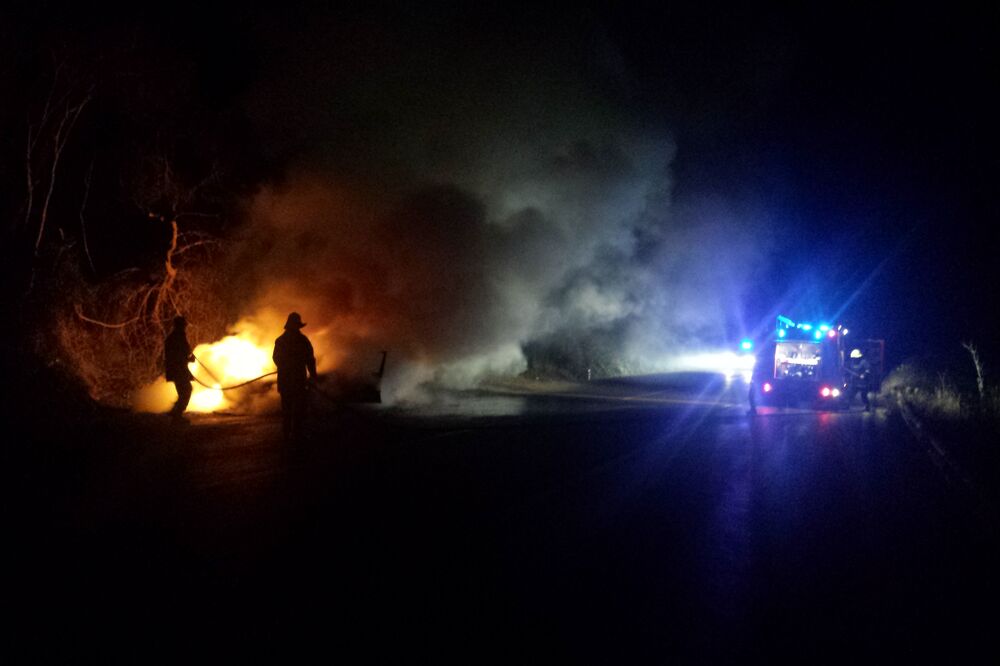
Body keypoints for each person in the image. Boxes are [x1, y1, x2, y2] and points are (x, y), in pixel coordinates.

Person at [273, 312, 318, 441]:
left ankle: (288, 437)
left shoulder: (281, 340)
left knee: (289, 412)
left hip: (286, 382)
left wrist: (284, 367)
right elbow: (310, 359)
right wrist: (313, 375)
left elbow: (276, 358)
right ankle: (296, 437)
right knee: (297, 412)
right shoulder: (303, 341)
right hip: (298, 381)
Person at [164, 315, 194, 422]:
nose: (185, 327)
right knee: (186, 390)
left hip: (176, 369)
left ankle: (175, 411)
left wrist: (188, 358)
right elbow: (180, 354)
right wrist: (189, 359)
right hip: (179, 369)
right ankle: (177, 415)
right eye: (184, 325)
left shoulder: (173, 336)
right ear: (181, 325)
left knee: (184, 391)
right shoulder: (178, 336)